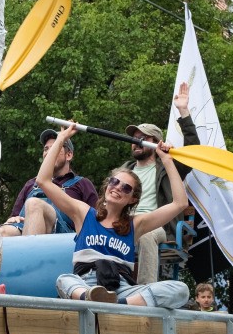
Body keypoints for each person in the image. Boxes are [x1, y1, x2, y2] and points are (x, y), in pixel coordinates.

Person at [39, 123, 190, 308]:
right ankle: (93, 299)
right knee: (64, 279)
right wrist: (61, 139)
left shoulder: (136, 224)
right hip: (86, 284)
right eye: (114, 181)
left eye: (125, 188)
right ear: (107, 185)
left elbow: (180, 203)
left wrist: (167, 160)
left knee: (181, 289)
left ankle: (118, 304)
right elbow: (43, 180)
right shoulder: (84, 214)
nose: (118, 187)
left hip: (121, 288)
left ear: (132, 199)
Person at [121, 82, 202, 284]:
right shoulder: (125, 171)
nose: (136, 141)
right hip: (125, 223)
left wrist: (183, 111)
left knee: (147, 234)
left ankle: (145, 294)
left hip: (157, 227)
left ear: (156, 141)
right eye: (134, 138)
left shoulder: (168, 168)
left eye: (142, 138)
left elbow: (194, 151)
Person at [0, 129, 98, 237]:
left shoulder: (82, 184)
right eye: (46, 149)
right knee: (1, 232)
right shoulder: (31, 184)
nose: (48, 153)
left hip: (64, 237)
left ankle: (30, 252)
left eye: (55, 147)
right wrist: (13, 219)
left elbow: (95, 223)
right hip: (26, 229)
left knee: (34, 204)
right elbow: (14, 217)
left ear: (68, 155)